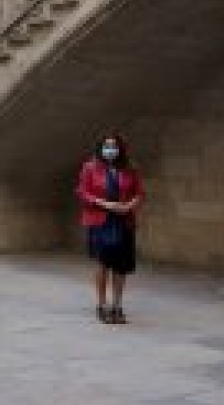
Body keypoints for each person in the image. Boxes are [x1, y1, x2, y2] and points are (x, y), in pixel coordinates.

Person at [76, 134, 144, 325]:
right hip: (100, 222)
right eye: (107, 146)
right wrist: (104, 203)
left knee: (121, 265)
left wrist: (130, 205)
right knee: (103, 263)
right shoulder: (90, 167)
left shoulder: (130, 168)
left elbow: (139, 192)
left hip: (123, 221)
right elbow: (82, 192)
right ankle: (102, 305)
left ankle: (117, 305)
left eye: (114, 146)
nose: (110, 150)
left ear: (121, 149)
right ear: (101, 148)